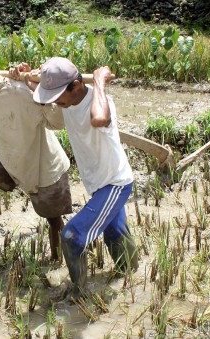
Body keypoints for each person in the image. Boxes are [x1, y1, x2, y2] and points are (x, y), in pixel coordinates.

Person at [28, 57, 139, 300]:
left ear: (77, 86)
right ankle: (133, 277)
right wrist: (27, 75)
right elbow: (38, 88)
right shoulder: (67, 102)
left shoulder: (101, 102)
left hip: (114, 183)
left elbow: (99, 119)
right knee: (115, 232)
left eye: (58, 96)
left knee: (71, 236)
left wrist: (99, 82)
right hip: (97, 183)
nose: (55, 102)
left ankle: (78, 293)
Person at [0, 41, 72, 265]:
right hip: (10, 160)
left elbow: (57, 122)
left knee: (53, 220)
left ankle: (60, 261)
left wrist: (37, 90)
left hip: (42, 164)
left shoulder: (18, 90)